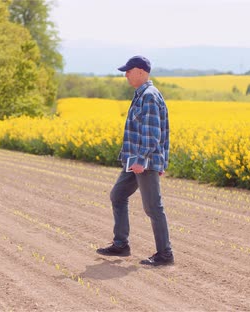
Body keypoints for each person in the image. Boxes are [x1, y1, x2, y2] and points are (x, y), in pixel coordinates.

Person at [96, 55, 173, 266]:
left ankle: (165, 254)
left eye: (128, 71)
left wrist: (144, 159)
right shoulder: (141, 95)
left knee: (153, 207)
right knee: (117, 195)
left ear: (140, 71)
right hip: (135, 160)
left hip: (143, 162)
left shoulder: (148, 96)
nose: (126, 75)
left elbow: (152, 133)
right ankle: (121, 245)